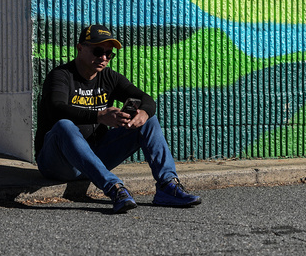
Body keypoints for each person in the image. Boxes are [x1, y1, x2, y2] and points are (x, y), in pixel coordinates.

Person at [35, 24, 201, 213]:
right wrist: (99, 116)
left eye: (109, 54)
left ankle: (167, 186)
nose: (104, 58)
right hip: (58, 163)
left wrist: (143, 113)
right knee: (64, 125)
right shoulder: (61, 76)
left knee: (149, 120)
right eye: (98, 51)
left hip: (95, 157)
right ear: (80, 48)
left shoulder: (109, 77)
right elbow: (56, 109)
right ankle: (114, 188)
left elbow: (146, 100)